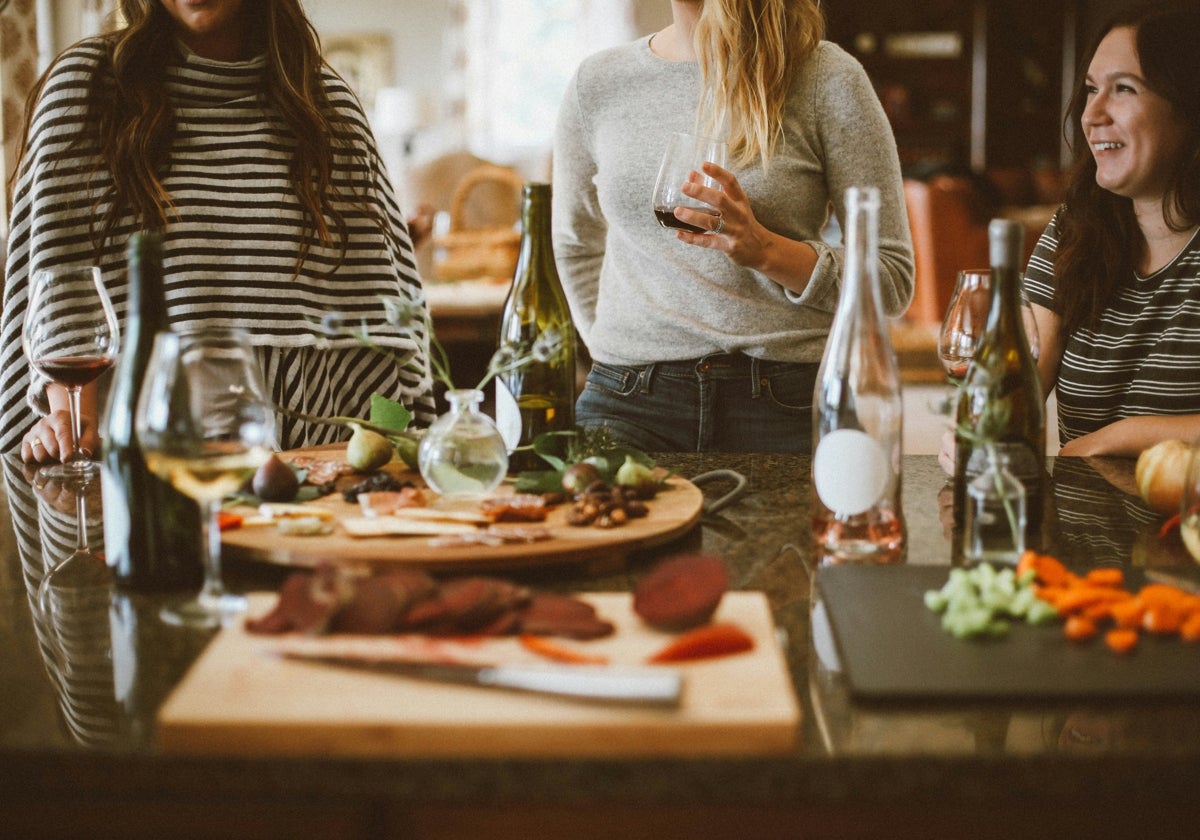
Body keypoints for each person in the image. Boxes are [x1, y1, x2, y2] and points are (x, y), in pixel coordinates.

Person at [1, 0, 435, 465]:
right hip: (144, 459)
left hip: (311, 454)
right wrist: (69, 420)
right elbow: (61, 281)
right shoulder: (88, 88)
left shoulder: (325, 103)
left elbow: (380, 310)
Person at [552, 0, 913, 453]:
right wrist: (614, 348)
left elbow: (892, 279)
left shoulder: (826, 76)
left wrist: (766, 251)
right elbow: (574, 245)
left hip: (786, 400)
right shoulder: (597, 83)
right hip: (628, 401)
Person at [939, 1, 1200, 474]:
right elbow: (1021, 377)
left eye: (1123, 89)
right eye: (1090, 90)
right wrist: (984, 420)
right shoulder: (1075, 227)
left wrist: (1120, 437)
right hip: (1083, 541)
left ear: (1189, 107)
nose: (1091, 114)